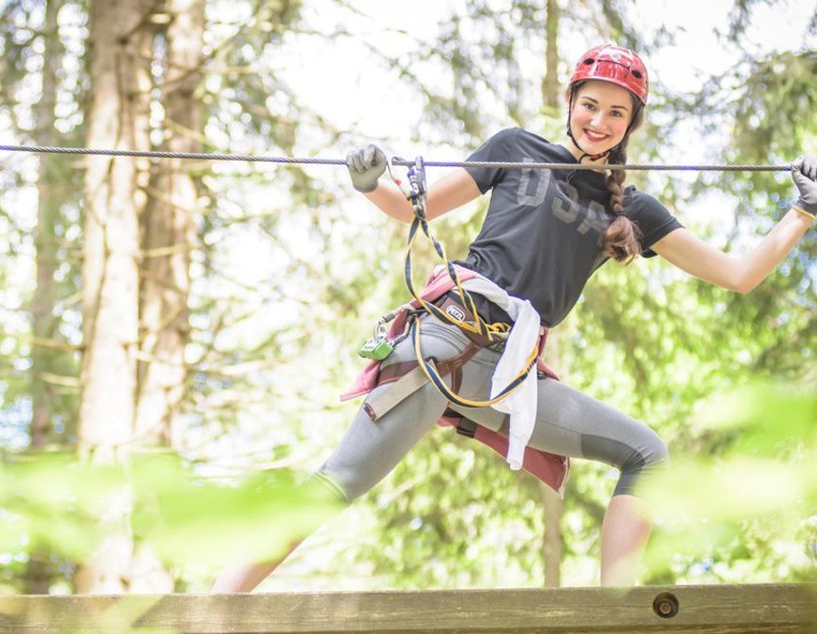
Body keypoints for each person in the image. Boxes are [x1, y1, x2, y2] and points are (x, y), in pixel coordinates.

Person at [212, 44, 817, 591]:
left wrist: (801, 214)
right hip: (441, 343)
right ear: (571, 103)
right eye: (590, 105)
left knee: (646, 454)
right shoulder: (516, 151)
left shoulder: (636, 210)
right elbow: (408, 209)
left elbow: (740, 275)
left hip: (509, 377)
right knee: (339, 481)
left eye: (616, 113)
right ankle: (218, 605)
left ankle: (616, 610)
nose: (599, 121)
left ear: (630, 124)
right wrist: (372, 181)